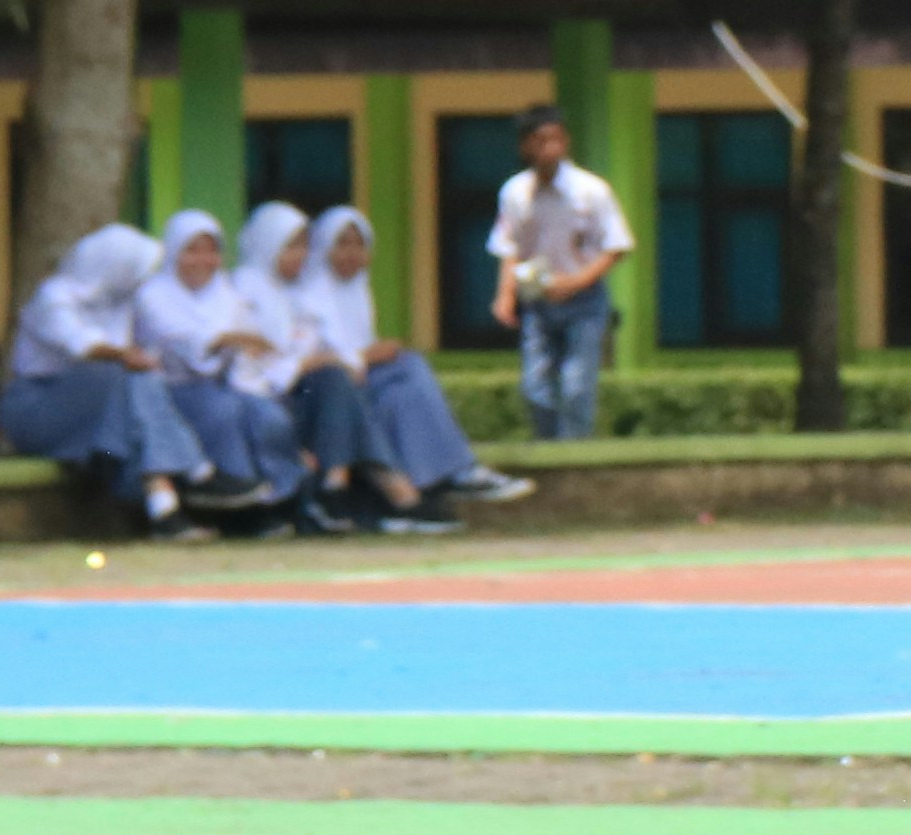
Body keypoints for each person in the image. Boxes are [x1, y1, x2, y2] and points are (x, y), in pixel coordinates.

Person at [258, 205, 518, 526]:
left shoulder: (357, 291)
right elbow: (318, 358)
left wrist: (368, 356)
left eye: (359, 244)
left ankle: (441, 480)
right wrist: (367, 356)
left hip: (350, 383)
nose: (351, 254)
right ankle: (448, 476)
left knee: (403, 388)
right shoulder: (307, 293)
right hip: (326, 393)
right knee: (405, 367)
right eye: (341, 244)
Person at [4, 224, 211, 532]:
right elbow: (84, 347)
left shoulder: (119, 301)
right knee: (121, 374)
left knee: (136, 384)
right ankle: (196, 469)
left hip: (98, 411)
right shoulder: (55, 296)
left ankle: (162, 500)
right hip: (36, 409)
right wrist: (129, 358)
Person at [124, 212, 305, 524]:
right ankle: (233, 508)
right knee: (222, 409)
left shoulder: (226, 294)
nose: (203, 260)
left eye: (211, 251)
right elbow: (177, 339)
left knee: (267, 415)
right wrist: (225, 339)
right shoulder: (152, 294)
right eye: (191, 250)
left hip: (223, 386)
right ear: (173, 251)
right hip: (172, 390)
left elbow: (255, 350)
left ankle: (277, 498)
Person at [486, 108, 632, 443]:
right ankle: (550, 449)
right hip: (537, 299)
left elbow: (617, 245)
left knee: (577, 384)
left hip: (585, 300)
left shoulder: (591, 190)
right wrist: (505, 295)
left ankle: (576, 454)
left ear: (565, 142)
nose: (548, 148)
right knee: (536, 385)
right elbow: (509, 248)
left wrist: (578, 282)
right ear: (525, 147)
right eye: (539, 141)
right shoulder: (515, 192)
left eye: (555, 139)